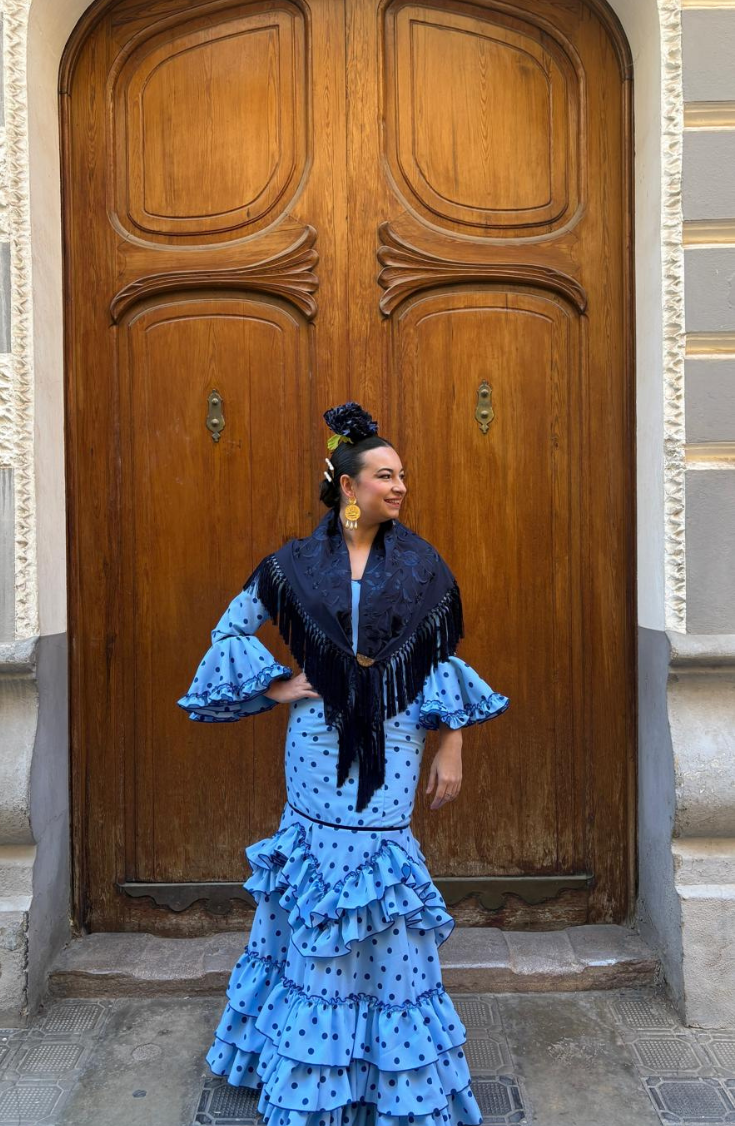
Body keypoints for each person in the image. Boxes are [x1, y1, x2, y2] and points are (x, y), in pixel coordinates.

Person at [177, 401, 510, 1125]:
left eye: (402, 477)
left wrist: (451, 740)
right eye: (384, 476)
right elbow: (229, 629)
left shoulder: (422, 565)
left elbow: (438, 657)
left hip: (393, 744)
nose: (399, 488)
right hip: (314, 745)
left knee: (381, 886)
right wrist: (276, 685)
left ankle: (390, 1071)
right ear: (346, 486)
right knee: (316, 883)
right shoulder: (290, 565)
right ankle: (308, 1061)